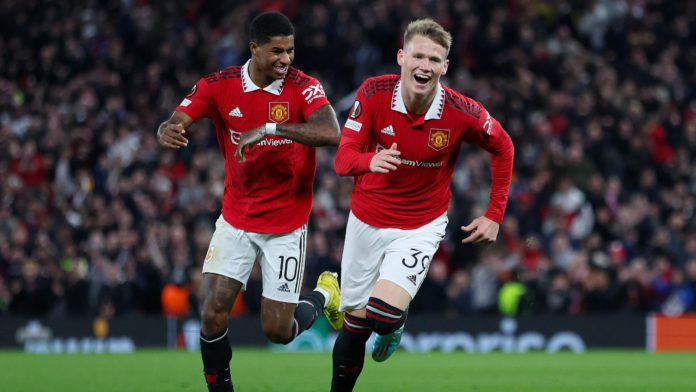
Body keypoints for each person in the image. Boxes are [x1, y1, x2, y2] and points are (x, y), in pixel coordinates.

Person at [157, 12, 343, 392]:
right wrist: (167, 129)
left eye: (290, 51)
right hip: (236, 221)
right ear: (254, 49)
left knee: (278, 332)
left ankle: (325, 293)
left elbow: (330, 131)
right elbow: (178, 117)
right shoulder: (219, 85)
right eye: (277, 51)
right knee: (211, 315)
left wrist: (272, 128)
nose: (286, 60)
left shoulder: (304, 87)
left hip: (286, 226)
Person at [331, 18, 514, 391]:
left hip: (420, 225)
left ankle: (394, 323)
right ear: (402, 56)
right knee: (354, 328)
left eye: (434, 59)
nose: (425, 66)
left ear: (445, 66)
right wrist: (370, 161)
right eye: (418, 56)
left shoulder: (461, 111)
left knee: (382, 316)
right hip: (365, 220)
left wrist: (495, 214)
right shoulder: (373, 93)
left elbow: (504, 146)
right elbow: (342, 160)